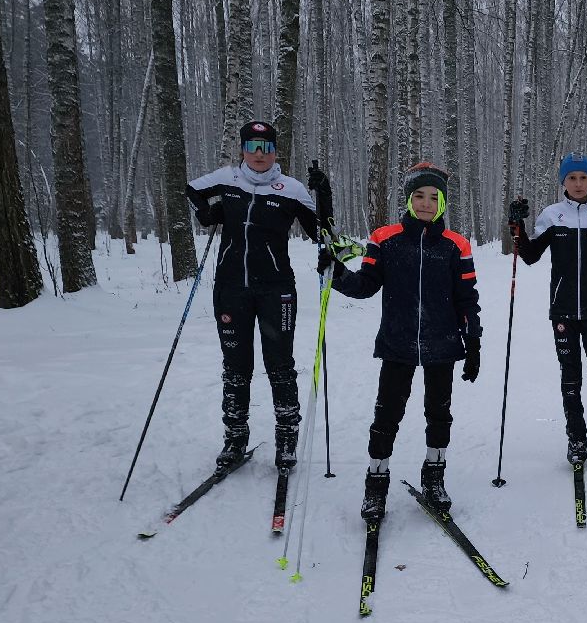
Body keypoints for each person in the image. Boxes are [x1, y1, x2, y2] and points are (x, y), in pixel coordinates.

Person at [322, 162, 481, 520]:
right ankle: (376, 483)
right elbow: (366, 285)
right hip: (398, 342)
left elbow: (467, 298)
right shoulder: (385, 238)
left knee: (439, 414)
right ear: (408, 199)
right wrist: (337, 273)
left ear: (443, 203)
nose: (426, 203)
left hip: (442, 343)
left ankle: (434, 477)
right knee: (387, 414)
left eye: (434, 197)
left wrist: (473, 342)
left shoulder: (456, 245)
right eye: (419, 196)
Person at [186, 121, 329, 473]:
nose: (260, 154)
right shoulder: (228, 179)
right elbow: (192, 190)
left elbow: (321, 232)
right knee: (236, 366)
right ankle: (235, 438)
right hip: (231, 287)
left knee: (279, 364)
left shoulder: (291, 189)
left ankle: (287, 439)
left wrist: (323, 194)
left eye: (267, 147)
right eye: (252, 146)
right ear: (243, 150)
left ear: (276, 152)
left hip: (276, 290)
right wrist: (207, 213)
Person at [507, 153, 587, 464]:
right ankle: (576, 436)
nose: (578, 183)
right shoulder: (552, 215)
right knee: (570, 377)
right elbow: (530, 255)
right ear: (563, 181)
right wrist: (517, 225)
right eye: (572, 178)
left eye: (583, 177)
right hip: (562, 311)